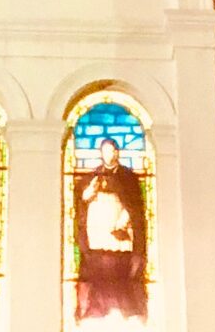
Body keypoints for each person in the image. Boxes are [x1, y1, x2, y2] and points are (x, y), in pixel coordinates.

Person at [72, 138, 147, 322]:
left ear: (117, 153)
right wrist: (88, 193)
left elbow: (134, 206)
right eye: (105, 151)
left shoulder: (128, 177)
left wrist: (123, 221)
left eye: (111, 151)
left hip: (119, 230)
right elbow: (82, 198)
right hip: (98, 232)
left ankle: (123, 306)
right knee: (98, 265)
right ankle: (98, 306)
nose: (108, 154)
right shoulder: (94, 176)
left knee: (118, 266)